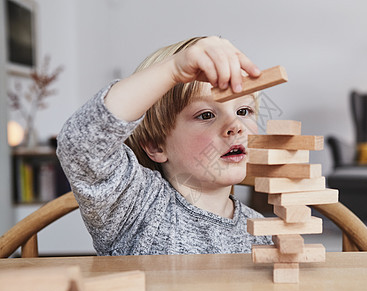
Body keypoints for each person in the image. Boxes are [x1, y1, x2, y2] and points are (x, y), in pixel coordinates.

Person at [57, 36, 272, 256]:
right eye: (206, 115)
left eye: (243, 111)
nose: (236, 126)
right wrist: (173, 70)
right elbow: (81, 145)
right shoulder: (138, 207)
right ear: (157, 146)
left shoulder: (261, 229)